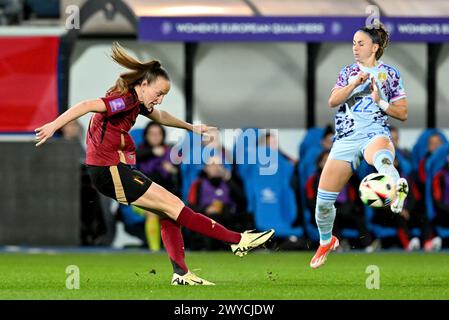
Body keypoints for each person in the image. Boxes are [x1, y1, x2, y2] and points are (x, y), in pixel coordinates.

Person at [35, 42, 275, 285]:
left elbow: (161, 117)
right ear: (143, 84)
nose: (160, 100)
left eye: (164, 96)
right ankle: (237, 241)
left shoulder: (137, 102)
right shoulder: (124, 100)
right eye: (158, 93)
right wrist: (54, 126)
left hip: (114, 169)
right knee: (175, 206)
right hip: (109, 170)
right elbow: (87, 105)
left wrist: (191, 127)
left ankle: (182, 274)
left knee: (168, 213)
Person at [310, 24, 409, 269]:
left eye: (360, 43)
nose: (355, 47)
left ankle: (395, 190)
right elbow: (333, 101)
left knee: (383, 159)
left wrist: (381, 102)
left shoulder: (391, 74)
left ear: (375, 47)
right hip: (345, 139)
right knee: (322, 203)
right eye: (354, 43)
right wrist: (354, 84)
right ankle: (326, 241)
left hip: (374, 132)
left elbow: (403, 113)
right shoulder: (347, 72)